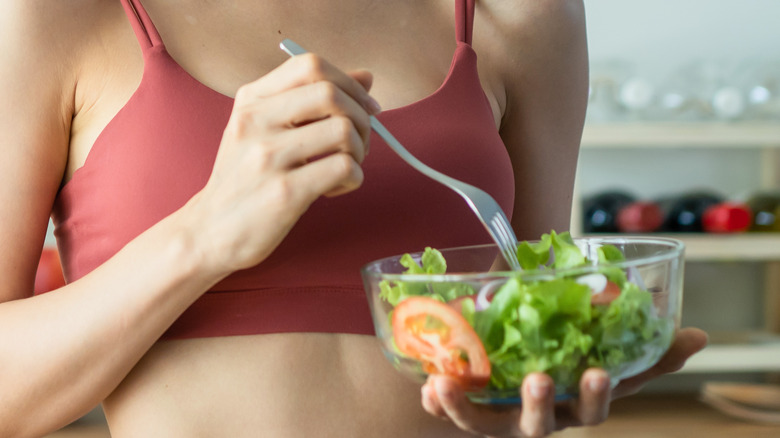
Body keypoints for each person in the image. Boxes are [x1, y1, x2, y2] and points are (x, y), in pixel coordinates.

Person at [0, 0, 707, 437]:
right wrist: (206, 232)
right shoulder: (56, 12)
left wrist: (538, 397)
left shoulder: (522, 14)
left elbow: (528, 313)